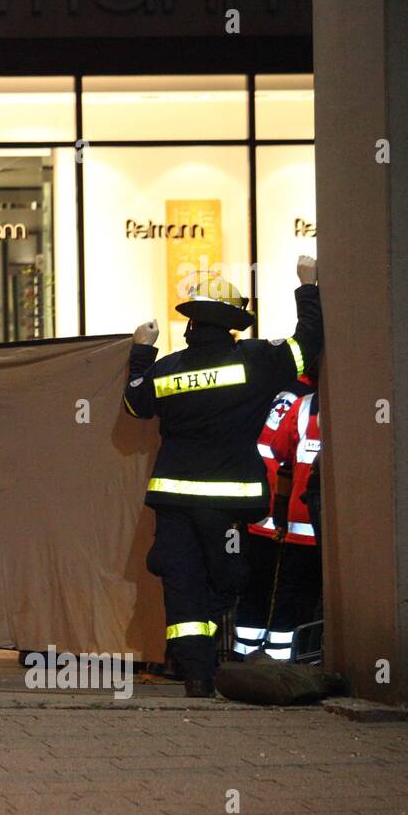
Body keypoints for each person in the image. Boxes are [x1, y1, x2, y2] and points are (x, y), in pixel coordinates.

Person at [123, 257, 322, 696]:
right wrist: (307, 286)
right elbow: (308, 344)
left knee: (181, 581)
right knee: (227, 577)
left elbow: (136, 403)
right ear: (232, 327)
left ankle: (196, 672)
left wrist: (142, 349)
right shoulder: (256, 360)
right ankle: (207, 654)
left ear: (192, 327)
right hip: (229, 502)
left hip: (173, 502)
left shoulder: (169, 369)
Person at [235, 360, 317, 658]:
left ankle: (249, 656)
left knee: (264, 588)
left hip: (274, 509)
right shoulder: (299, 399)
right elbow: (273, 450)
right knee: (284, 590)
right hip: (281, 512)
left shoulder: (293, 395)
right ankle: (272, 659)